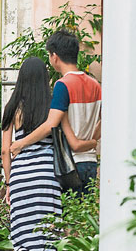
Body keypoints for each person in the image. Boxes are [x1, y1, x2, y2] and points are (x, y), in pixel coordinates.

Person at [1, 57, 94, 251]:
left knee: (21, 237)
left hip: (21, 178)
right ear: (45, 79)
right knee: (48, 235)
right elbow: (65, 139)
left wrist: (9, 184)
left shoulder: (12, 108)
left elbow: (5, 152)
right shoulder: (53, 106)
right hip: (48, 178)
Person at [10, 29, 101, 196]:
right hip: (90, 162)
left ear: (54, 56)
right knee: (83, 216)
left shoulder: (63, 85)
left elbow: (50, 124)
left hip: (69, 164)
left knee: (67, 217)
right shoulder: (94, 84)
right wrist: (92, 140)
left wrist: (20, 143)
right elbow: (104, 119)